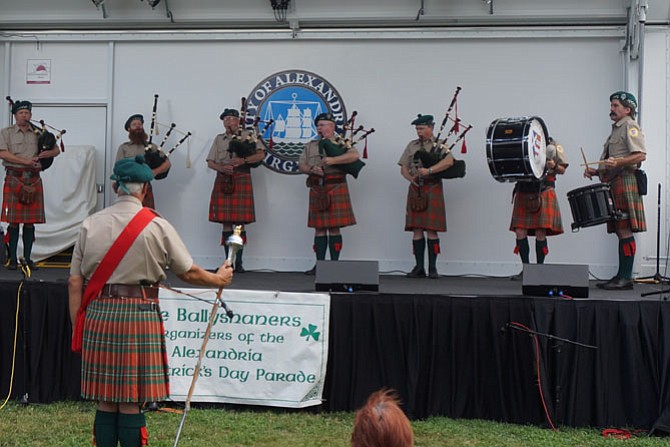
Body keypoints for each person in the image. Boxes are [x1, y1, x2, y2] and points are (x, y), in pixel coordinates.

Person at [68, 155, 233, 447]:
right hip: (139, 313)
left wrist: (78, 325)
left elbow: (74, 282)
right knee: (131, 400)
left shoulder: (89, 224)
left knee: (106, 399)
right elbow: (189, 272)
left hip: (98, 314)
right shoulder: (157, 225)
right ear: (145, 187)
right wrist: (218, 279)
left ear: (115, 186)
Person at [585, 91, 646, 290]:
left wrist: (618, 161)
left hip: (625, 181)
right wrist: (596, 171)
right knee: (620, 230)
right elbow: (612, 161)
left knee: (624, 228)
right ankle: (621, 275)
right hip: (615, 181)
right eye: (611, 105)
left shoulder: (630, 126)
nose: (611, 109)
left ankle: (626, 277)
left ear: (627, 109)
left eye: (615, 105)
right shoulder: (616, 130)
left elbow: (640, 156)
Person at [0, 100, 60, 270]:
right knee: (13, 221)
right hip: (14, 177)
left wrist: (50, 153)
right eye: (21, 113)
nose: (24, 116)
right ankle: (12, 259)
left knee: (29, 222)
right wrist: (25, 161)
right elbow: (2, 153)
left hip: (33, 178)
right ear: (15, 115)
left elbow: (57, 150)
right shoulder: (6, 133)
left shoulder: (39, 133)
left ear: (31, 115)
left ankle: (27, 258)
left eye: (27, 113)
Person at [298, 112, 360, 275]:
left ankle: (334, 265)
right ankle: (319, 264)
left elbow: (354, 155)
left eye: (324, 125)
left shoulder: (341, 143)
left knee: (334, 229)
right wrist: (311, 169)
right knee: (319, 228)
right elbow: (301, 164)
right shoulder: (311, 145)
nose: (320, 128)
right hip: (318, 187)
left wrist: (333, 160)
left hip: (336, 186)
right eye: (318, 125)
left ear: (332, 126)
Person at [207, 108, 265, 273]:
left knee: (239, 223)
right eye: (225, 119)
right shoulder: (219, 139)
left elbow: (260, 155)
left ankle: (238, 262)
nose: (228, 121)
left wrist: (244, 160)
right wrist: (221, 168)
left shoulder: (249, 136)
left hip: (241, 177)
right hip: (223, 179)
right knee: (225, 223)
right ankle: (228, 262)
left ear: (238, 121)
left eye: (232, 118)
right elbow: (210, 162)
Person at [398, 114, 454, 279]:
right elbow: (403, 167)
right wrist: (411, 179)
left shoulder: (440, 145)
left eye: (422, 128)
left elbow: (449, 162)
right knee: (416, 229)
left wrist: (429, 171)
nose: (419, 132)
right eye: (417, 129)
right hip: (416, 188)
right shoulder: (411, 145)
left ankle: (432, 268)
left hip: (432, 186)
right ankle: (419, 267)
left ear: (431, 128)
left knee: (431, 230)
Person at [510, 138, 569, 279]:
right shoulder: (523, 144)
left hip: (543, 191)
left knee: (540, 231)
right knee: (520, 231)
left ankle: (539, 270)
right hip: (524, 190)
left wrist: (553, 166)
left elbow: (562, 169)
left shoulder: (554, 145)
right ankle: (526, 270)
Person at [116, 114, 171, 208]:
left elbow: (167, 163)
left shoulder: (152, 147)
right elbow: (117, 168)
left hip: (145, 187)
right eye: (134, 124)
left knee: (146, 217)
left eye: (140, 124)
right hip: (127, 188)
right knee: (128, 216)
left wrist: (154, 172)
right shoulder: (124, 147)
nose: (138, 126)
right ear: (129, 129)